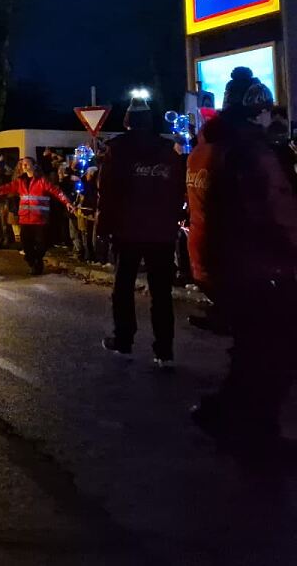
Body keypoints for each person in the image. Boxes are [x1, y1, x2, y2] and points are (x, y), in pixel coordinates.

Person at [187, 67, 297, 453]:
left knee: (252, 346)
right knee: (276, 351)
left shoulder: (204, 149)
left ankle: (222, 412)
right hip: (258, 266)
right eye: (267, 111)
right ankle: (258, 433)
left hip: (217, 261)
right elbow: (277, 211)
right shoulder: (253, 154)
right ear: (256, 112)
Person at [96, 96, 185, 366]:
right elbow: (177, 189)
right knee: (161, 292)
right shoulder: (168, 150)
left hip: (128, 230)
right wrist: (173, 219)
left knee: (123, 287)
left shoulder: (117, 150)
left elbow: (107, 192)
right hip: (161, 232)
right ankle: (164, 350)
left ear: (127, 121)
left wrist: (103, 227)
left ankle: (124, 340)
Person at [0, 157, 73, 275]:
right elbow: (9, 187)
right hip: (25, 220)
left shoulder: (42, 181)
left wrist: (67, 202)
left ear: (34, 165)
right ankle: (33, 262)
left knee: (41, 245)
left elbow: (57, 192)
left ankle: (37, 262)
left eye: (27, 164)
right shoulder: (20, 181)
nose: (24, 166)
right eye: (23, 164)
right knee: (26, 245)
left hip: (39, 220)